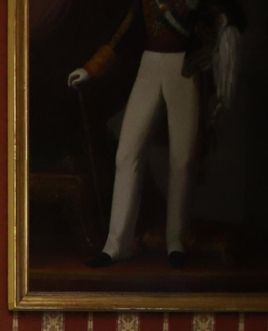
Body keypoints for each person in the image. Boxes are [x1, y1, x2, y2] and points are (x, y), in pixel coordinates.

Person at [69, 1, 245, 269]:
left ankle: (176, 242)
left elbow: (228, 20)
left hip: (186, 68)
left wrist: (216, 34)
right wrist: (91, 69)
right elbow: (123, 34)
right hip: (149, 66)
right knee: (126, 155)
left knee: (183, 159)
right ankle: (116, 245)